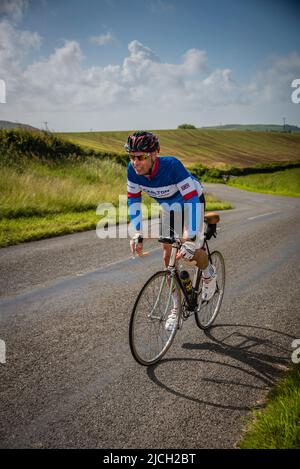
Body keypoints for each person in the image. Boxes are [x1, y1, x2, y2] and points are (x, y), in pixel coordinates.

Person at [125, 131, 216, 331]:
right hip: (170, 208)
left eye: (140, 157)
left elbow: (191, 200)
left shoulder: (172, 166)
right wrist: (137, 232)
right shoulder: (132, 171)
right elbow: (134, 200)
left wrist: (190, 236)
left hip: (192, 201)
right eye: (132, 157)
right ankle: (176, 308)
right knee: (168, 256)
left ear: (155, 153)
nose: (135, 162)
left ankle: (209, 272)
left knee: (188, 250)